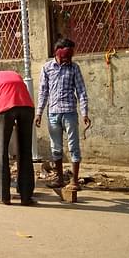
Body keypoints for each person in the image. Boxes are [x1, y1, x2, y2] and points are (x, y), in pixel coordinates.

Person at [35, 38, 91, 191]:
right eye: (66, 55)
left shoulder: (74, 68)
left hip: (70, 112)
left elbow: (81, 91)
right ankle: (59, 178)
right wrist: (39, 112)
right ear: (57, 52)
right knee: (56, 148)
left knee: (73, 146)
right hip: (53, 113)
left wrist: (84, 112)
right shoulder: (47, 68)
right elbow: (43, 92)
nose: (69, 58)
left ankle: (74, 181)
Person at [0, 70, 36, 205]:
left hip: (5, 108)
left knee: (2, 151)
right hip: (27, 107)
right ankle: (26, 196)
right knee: (26, 151)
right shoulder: (14, 73)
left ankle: (3, 196)